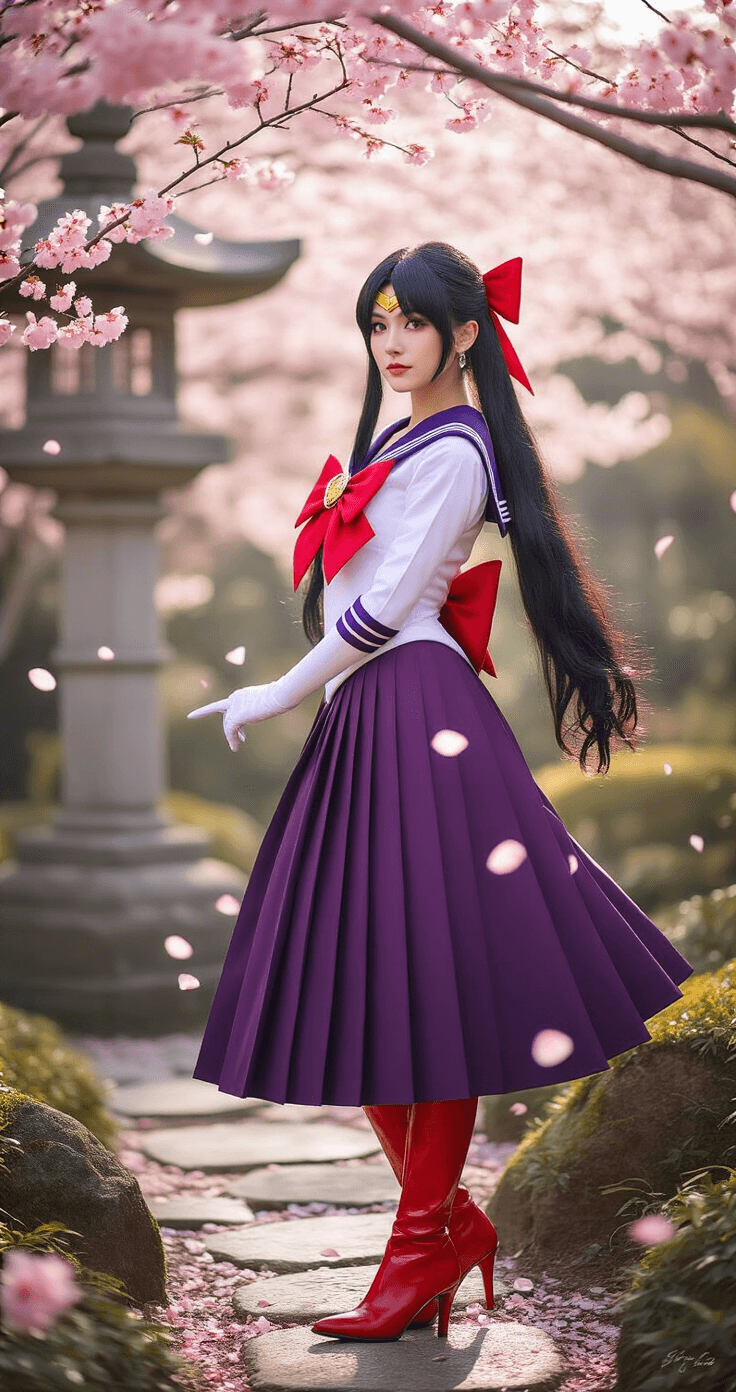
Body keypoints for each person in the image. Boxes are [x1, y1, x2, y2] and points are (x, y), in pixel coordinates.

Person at [187, 242, 693, 1343]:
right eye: (377, 324)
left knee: (431, 982)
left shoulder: (458, 448)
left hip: (416, 707)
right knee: (355, 968)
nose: (392, 344)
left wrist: (278, 687)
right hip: (368, 717)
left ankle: (418, 1246)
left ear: (464, 332)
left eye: (411, 322)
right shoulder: (398, 436)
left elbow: (385, 606)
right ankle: (448, 1224)